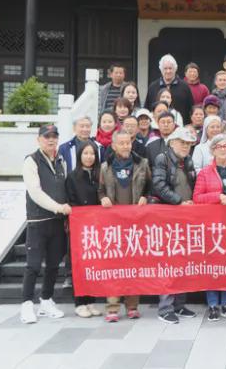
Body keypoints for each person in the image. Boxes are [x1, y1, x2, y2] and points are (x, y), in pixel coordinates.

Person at [20, 125, 72, 324]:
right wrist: (58, 207)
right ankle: (26, 304)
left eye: (54, 136)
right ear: (39, 139)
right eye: (46, 136)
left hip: (57, 222)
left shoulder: (61, 160)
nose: (51, 140)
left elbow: (65, 187)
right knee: (33, 265)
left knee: (53, 264)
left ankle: (46, 300)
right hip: (38, 221)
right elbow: (35, 192)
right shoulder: (31, 160)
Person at [99, 129, 151, 321]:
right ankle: (112, 307)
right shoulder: (105, 166)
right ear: (113, 146)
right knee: (114, 265)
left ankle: (132, 306)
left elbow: (150, 186)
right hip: (114, 224)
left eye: (128, 142)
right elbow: (100, 189)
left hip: (136, 223)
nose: (125, 146)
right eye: (121, 143)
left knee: (133, 265)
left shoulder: (142, 163)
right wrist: (103, 198)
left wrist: (146, 197)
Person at [193, 134, 226, 321]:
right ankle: (213, 303)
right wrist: (216, 196)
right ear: (212, 150)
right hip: (211, 226)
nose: (223, 149)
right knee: (212, 264)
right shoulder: (205, 172)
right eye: (219, 146)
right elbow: (197, 197)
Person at [152, 126, 198, 324]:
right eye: (182, 143)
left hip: (186, 217)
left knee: (183, 262)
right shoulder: (162, 159)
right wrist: (178, 201)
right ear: (172, 143)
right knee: (169, 263)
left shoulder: (187, 161)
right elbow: (158, 185)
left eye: (188, 144)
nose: (186, 146)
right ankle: (165, 308)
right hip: (168, 217)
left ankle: (179, 304)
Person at [64, 141, 102, 319]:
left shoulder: (99, 175)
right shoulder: (72, 177)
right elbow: (70, 200)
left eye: (92, 153)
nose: (89, 157)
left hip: (96, 227)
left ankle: (90, 301)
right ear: (79, 156)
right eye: (85, 153)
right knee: (79, 265)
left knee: (93, 263)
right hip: (79, 228)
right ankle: (79, 303)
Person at [144, 54, 194, 125]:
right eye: (165, 68)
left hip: (180, 126)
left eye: (170, 68)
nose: (168, 71)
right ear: (161, 70)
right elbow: (147, 109)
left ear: (175, 69)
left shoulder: (184, 87)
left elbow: (191, 109)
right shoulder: (153, 87)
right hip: (156, 127)